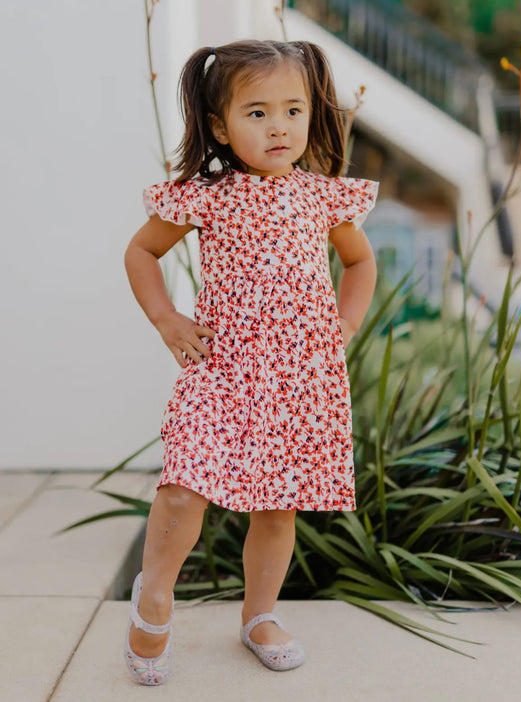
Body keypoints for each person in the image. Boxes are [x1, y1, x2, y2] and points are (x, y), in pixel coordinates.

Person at [123, 39, 378, 686]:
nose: (279, 126)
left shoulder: (322, 198)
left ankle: (259, 615)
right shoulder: (206, 196)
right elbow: (141, 253)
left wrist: (343, 322)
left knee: (277, 504)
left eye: (292, 110)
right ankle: (154, 594)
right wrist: (167, 319)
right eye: (257, 113)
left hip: (297, 376)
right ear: (219, 125)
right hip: (222, 367)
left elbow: (359, 262)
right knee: (183, 486)